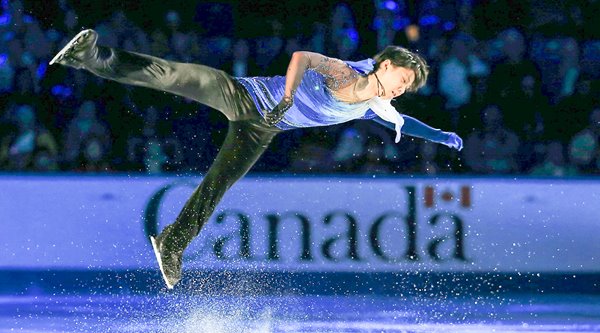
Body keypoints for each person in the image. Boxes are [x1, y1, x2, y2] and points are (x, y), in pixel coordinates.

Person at [50, 29, 463, 289]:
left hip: (262, 128)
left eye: (406, 88)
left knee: (219, 184)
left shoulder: (375, 102)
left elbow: (403, 122)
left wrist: (441, 135)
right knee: (172, 75)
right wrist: (285, 98)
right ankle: (91, 57)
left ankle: (173, 243)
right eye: (403, 81)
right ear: (386, 66)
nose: (401, 90)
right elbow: (303, 57)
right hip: (243, 95)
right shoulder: (348, 75)